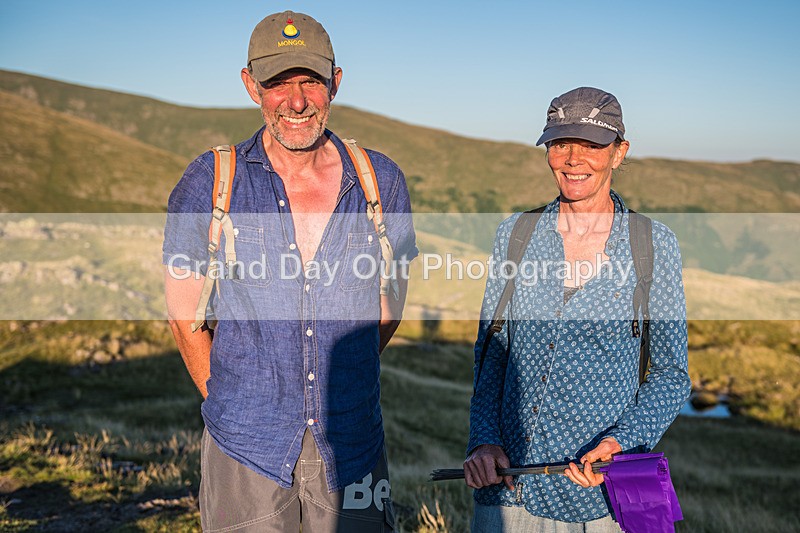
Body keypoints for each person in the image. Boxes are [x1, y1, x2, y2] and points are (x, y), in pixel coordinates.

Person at [162, 11, 417, 532]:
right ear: (251, 85)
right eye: (278, 82)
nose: (296, 101)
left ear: (335, 83)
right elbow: (183, 317)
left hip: (352, 445)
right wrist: (236, 400)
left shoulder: (380, 183)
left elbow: (389, 307)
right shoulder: (212, 181)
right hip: (243, 450)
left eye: (310, 82)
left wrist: (340, 378)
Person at [463, 87, 690, 532]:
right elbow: (492, 353)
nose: (573, 158)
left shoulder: (652, 244)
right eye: (561, 143)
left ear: (619, 153)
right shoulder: (516, 234)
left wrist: (621, 442)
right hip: (510, 489)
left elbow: (671, 373)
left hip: (601, 498)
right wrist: (485, 441)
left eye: (591, 144)